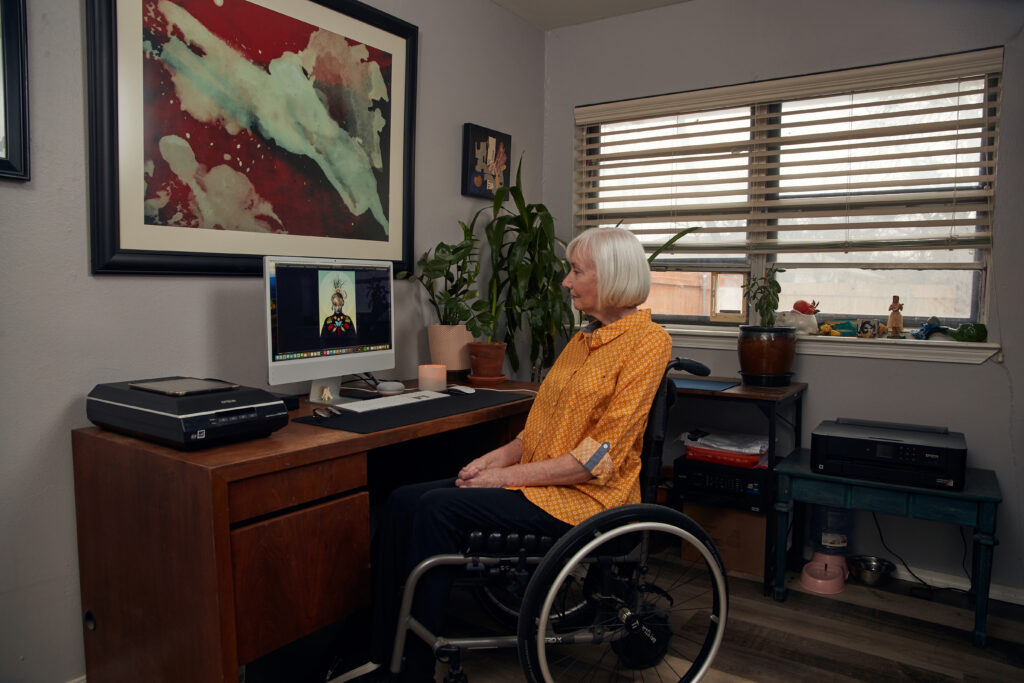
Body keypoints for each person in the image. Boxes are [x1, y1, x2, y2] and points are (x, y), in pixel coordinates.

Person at [365, 227, 672, 682]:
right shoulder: (582, 340)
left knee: (434, 510)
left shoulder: (648, 343)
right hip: (540, 481)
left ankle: (411, 669)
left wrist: (506, 479)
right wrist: (496, 459)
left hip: (586, 500)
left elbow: (596, 459)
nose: (566, 282)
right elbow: (539, 430)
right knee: (402, 499)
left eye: (576, 271)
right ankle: (379, 650)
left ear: (610, 277)